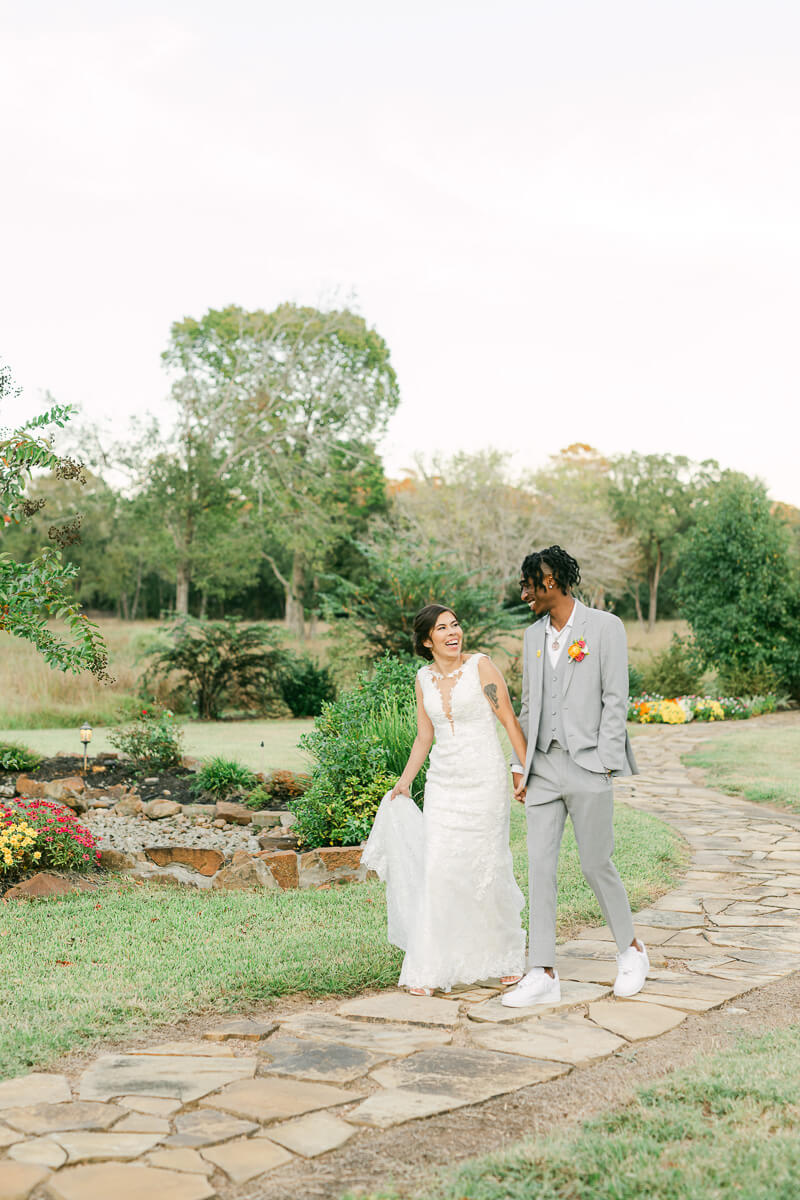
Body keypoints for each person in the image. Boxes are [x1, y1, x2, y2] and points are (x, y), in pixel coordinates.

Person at [502, 546, 648, 1009]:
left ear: (551, 580)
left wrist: (604, 761)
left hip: (589, 765)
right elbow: (528, 706)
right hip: (543, 768)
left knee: (594, 863)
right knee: (540, 867)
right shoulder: (531, 637)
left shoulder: (605, 628)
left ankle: (631, 951)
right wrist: (520, 764)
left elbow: (615, 698)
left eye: (529, 584)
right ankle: (542, 970)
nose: (524, 593)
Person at [363, 603, 527, 996]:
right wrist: (404, 782)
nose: (453, 633)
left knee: (488, 864)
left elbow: (509, 720)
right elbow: (425, 736)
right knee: (439, 869)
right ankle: (431, 966)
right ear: (427, 640)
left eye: (456, 625)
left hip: (485, 781)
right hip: (443, 784)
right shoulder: (423, 679)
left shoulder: (482, 667)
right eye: (442, 628)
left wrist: (523, 768)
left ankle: (505, 956)